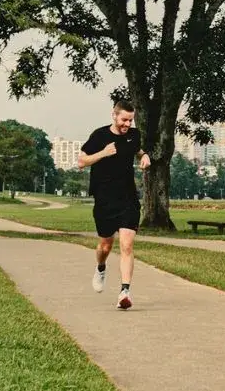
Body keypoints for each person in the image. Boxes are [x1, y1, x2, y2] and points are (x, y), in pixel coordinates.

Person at [77, 100, 150, 309]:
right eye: (124, 120)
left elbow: (137, 149)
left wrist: (144, 156)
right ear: (114, 116)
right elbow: (81, 162)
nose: (127, 124)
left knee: (127, 244)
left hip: (127, 197)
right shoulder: (99, 136)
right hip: (104, 198)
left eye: (130, 120)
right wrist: (103, 153)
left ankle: (124, 292)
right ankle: (101, 267)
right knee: (105, 245)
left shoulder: (134, 135)